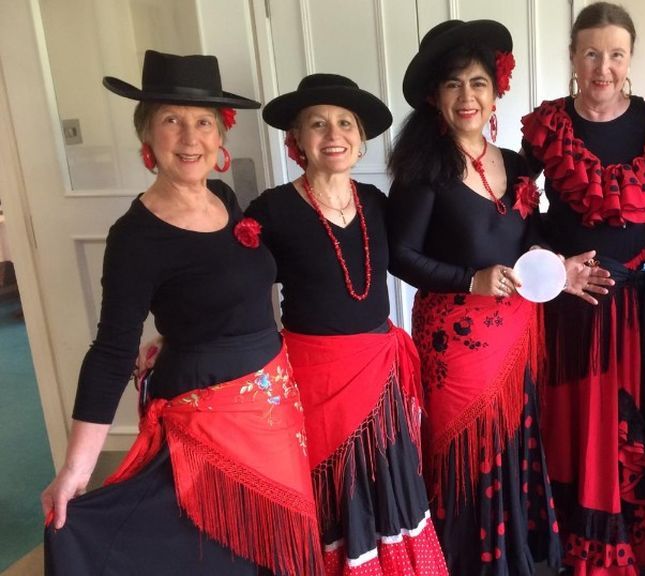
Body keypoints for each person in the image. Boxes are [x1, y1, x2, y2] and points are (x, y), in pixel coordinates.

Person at [41, 50, 323, 575]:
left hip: (274, 408)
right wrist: (77, 468)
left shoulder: (222, 196)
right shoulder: (135, 237)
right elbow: (110, 351)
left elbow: (222, 287)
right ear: (146, 134)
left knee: (275, 544)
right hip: (205, 418)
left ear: (221, 136)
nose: (190, 138)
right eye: (171, 120)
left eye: (203, 123)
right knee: (219, 555)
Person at [388, 19, 602, 575]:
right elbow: (400, 255)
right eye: (454, 84)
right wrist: (469, 280)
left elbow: (528, 241)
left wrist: (560, 270)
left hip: (516, 331)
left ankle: (512, 560)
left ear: (495, 91)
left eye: (478, 83)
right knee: (464, 452)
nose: (467, 96)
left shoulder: (520, 163)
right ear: (436, 97)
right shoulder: (422, 170)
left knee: (511, 445)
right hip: (454, 338)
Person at [520, 3, 645, 573]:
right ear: (572, 56)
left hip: (638, 308)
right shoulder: (547, 124)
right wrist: (551, 263)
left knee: (632, 419)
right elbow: (515, 212)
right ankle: (575, 541)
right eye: (591, 52)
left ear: (630, 59)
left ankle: (627, 538)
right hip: (569, 306)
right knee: (570, 422)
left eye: (616, 54)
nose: (603, 66)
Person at [252, 73, 447, 575]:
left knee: (387, 484)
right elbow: (238, 286)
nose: (332, 133)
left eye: (344, 123)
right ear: (297, 141)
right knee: (330, 488)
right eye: (317, 124)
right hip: (311, 376)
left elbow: (420, 255)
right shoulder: (270, 210)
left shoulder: (378, 205)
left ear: (360, 142)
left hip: (377, 371)